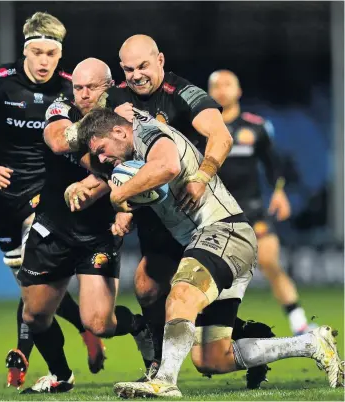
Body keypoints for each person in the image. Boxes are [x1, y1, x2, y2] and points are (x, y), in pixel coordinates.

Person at [78, 107, 343, 398]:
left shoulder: (149, 135)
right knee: (212, 358)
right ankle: (310, 344)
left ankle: (164, 379)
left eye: (102, 150)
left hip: (223, 231)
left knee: (181, 292)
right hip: (216, 242)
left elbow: (167, 166)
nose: (102, 158)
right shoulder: (132, 154)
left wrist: (119, 194)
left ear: (119, 131)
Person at [104, 34, 275, 389]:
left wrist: (201, 176)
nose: (136, 75)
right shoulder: (116, 98)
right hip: (155, 211)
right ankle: (162, 367)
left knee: (173, 292)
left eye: (143, 66)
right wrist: (121, 200)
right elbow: (111, 151)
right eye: (128, 69)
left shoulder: (183, 92)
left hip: (192, 205)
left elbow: (221, 137)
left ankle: (165, 376)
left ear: (161, 60)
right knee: (150, 289)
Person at [0, 12, 105, 389]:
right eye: (36, 52)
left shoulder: (72, 89)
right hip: (2, 198)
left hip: (46, 195)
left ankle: (25, 352)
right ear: (25, 51)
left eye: (51, 55)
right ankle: (83, 332)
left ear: (60, 55)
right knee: (32, 289)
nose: (43, 62)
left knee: (32, 275)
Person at [18, 58, 148, 394]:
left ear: (110, 86)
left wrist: (119, 203)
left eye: (92, 87)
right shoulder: (60, 108)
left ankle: (140, 327)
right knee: (34, 316)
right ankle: (61, 375)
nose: (84, 94)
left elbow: (134, 166)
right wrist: (105, 174)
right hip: (53, 228)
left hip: (97, 234)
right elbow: (60, 141)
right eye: (78, 87)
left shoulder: (126, 118)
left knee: (98, 323)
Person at [208, 69, 313, 335]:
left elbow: (274, 164)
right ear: (209, 94)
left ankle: (299, 324)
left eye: (227, 84)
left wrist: (279, 191)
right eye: (216, 86)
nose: (222, 89)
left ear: (239, 91)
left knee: (270, 262)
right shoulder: (201, 129)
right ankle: (212, 331)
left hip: (252, 210)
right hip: (214, 215)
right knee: (214, 275)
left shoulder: (255, 127)